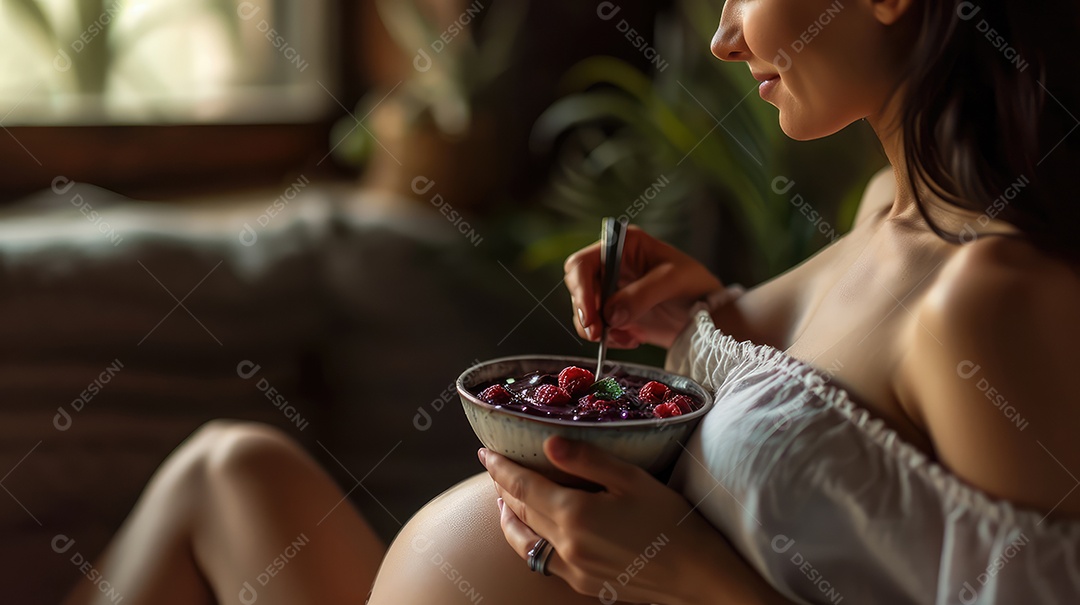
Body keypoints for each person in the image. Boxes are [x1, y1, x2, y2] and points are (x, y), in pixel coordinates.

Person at [65, 1, 1080, 603]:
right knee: (227, 467)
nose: (725, 36)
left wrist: (694, 581)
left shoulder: (993, 302)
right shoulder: (880, 214)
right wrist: (701, 313)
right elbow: (842, 429)